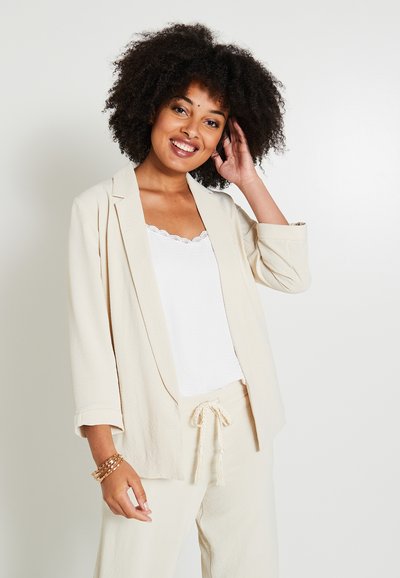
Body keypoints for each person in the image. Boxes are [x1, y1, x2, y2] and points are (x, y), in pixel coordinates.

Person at [67, 22, 311, 578]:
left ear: (226, 134)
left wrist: (248, 181)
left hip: (242, 422)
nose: (191, 131)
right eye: (181, 108)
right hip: (153, 432)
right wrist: (106, 458)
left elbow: (291, 274)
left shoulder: (222, 212)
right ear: (150, 106)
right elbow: (90, 340)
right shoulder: (98, 209)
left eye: (212, 121)